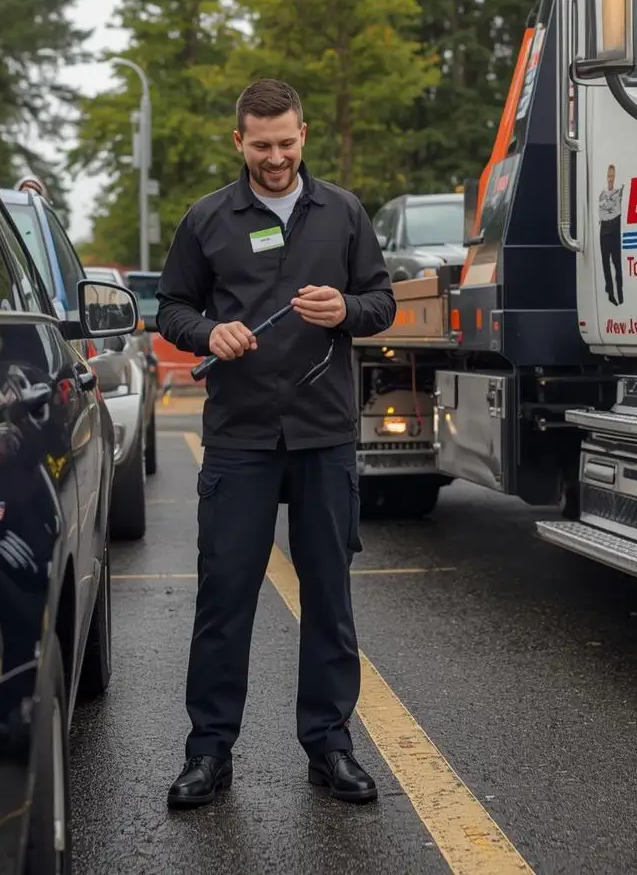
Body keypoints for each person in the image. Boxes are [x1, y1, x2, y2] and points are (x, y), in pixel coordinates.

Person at [156, 78, 396, 809]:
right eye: (261, 146)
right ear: (239, 142)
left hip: (324, 433)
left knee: (329, 596)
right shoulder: (207, 219)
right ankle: (208, 752)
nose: (275, 157)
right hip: (241, 435)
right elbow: (171, 308)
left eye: (286, 143)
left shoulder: (344, 213)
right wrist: (208, 332)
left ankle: (330, 746)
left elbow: (382, 303)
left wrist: (345, 308)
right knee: (225, 597)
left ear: (303, 135)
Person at [598, 163, 624, 306]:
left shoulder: (617, 193)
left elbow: (616, 210)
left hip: (614, 229)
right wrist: (609, 204)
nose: (610, 178)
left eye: (612, 176)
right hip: (604, 231)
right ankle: (610, 292)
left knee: (617, 263)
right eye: (609, 176)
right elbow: (603, 209)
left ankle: (620, 293)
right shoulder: (603, 193)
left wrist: (609, 205)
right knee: (605, 262)